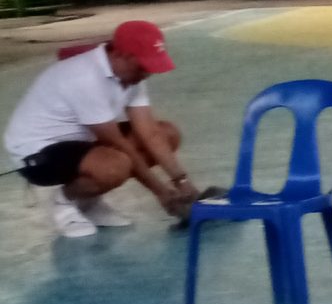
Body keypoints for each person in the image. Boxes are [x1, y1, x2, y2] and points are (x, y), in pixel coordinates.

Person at [7, 19, 196, 238]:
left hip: (81, 142)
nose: (147, 74)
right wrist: (161, 193)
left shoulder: (133, 75)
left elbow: (150, 133)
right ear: (119, 54)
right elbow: (118, 143)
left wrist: (183, 182)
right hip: (37, 153)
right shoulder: (84, 77)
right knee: (115, 165)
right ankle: (64, 200)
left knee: (167, 134)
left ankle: (89, 203)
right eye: (143, 66)